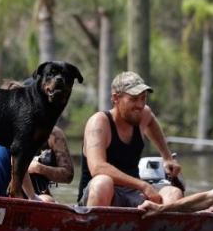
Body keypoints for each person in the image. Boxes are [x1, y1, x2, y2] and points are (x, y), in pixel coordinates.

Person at [78, 71, 183, 207]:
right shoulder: (99, 122)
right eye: (133, 99)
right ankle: (94, 226)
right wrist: (143, 185)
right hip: (101, 195)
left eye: (143, 98)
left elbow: (151, 121)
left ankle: (160, 227)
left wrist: (167, 157)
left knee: (174, 193)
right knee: (103, 182)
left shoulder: (143, 113)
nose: (140, 105)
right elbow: (97, 168)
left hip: (133, 194)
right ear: (116, 98)